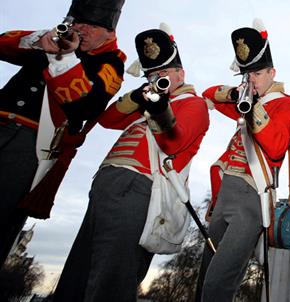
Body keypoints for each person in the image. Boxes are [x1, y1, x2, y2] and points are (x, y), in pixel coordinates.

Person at [52, 27, 209, 301]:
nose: (156, 79)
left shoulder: (192, 104)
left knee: (112, 278)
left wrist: (160, 107)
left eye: (164, 73)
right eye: (151, 75)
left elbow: (172, 142)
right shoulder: (145, 104)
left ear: (180, 74)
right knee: (78, 274)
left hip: (138, 186)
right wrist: (137, 97)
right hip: (107, 184)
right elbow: (108, 120)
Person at [0, 0, 127, 264]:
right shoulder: (53, 40)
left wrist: (64, 59)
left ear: (108, 31)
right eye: (75, 21)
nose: (79, 29)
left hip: (29, 144)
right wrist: (39, 41)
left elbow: (84, 105)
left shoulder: (112, 63)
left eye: (89, 26)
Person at [196, 19, 290, 301]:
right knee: (204, 277)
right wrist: (236, 94)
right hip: (224, 195)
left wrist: (253, 109)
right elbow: (208, 95)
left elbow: (277, 147)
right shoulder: (245, 99)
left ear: (272, 72)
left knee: (220, 283)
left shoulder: (284, 103)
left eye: (257, 73)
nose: (251, 79)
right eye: (247, 74)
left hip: (251, 195)